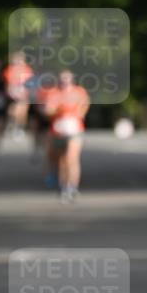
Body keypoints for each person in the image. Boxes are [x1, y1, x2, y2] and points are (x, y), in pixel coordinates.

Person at [44, 69, 90, 202]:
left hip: (75, 129)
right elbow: (48, 110)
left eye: (67, 79)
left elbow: (85, 102)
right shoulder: (54, 93)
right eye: (62, 79)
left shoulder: (79, 91)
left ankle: (72, 186)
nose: (65, 82)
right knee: (62, 161)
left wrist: (80, 113)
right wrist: (54, 110)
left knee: (72, 158)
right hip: (58, 130)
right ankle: (63, 185)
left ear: (72, 79)